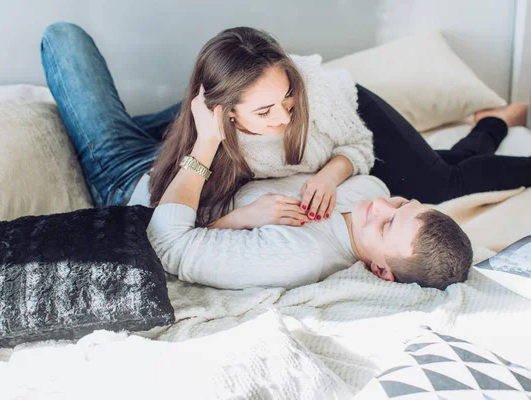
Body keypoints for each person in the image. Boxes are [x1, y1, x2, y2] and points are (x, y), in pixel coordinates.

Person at [41, 23, 531, 233]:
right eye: (264, 112)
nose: (283, 119)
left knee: (438, 182)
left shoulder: (312, 94)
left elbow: (354, 142)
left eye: (285, 99)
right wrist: (239, 210)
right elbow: (177, 224)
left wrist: (330, 174)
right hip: (150, 155)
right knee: (62, 36)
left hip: (352, 116)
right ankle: (491, 125)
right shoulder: (209, 139)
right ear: (223, 113)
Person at [146, 86, 473, 290]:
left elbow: (169, 246)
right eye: (402, 204)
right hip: (185, 153)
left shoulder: (297, 256)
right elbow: (355, 156)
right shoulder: (370, 190)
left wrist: (240, 217)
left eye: (386, 225)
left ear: (381, 271)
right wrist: (329, 176)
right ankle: (491, 124)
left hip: (142, 184)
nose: (381, 205)